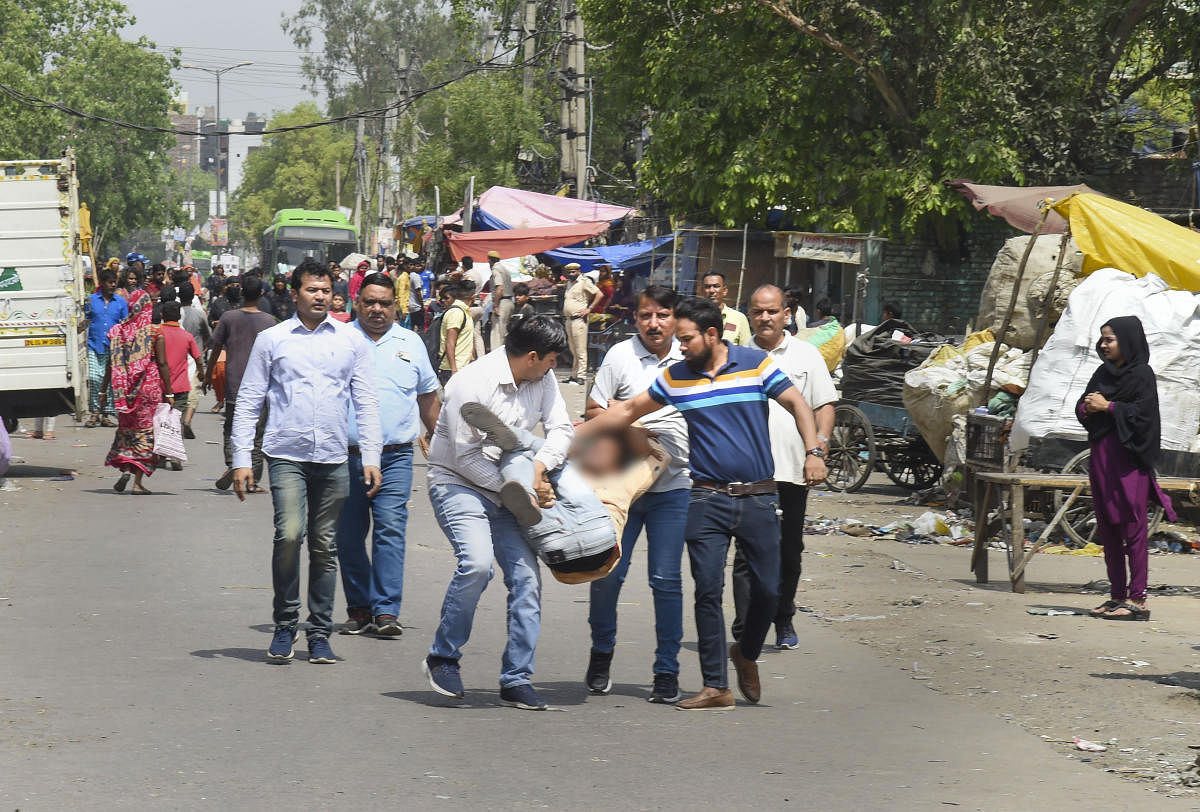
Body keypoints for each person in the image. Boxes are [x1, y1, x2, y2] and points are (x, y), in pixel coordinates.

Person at [582, 296, 827, 709]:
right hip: (705, 498)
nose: (679, 348)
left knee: (769, 590)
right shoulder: (677, 378)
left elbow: (798, 403)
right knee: (707, 591)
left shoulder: (755, 364)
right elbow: (627, 410)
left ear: (711, 335)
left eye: (686, 339)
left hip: (759, 495)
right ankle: (716, 685)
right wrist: (574, 436)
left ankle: (746, 653)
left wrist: (813, 452)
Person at [231, 258, 382, 664]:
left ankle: (318, 634)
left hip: (333, 456)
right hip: (286, 455)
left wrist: (371, 454)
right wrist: (241, 458)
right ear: (294, 292)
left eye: (325, 290)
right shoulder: (274, 339)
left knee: (324, 545)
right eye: (311, 289)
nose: (319, 296)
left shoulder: (350, 341)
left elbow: (365, 401)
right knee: (290, 535)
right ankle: (285, 625)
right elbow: (249, 401)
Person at [421, 315, 572, 710]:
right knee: (477, 564)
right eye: (553, 359)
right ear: (534, 356)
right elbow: (466, 459)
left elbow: (562, 430)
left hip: (515, 483)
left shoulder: (543, 378)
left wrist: (538, 471)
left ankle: (516, 678)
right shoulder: (470, 384)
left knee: (527, 581)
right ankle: (443, 657)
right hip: (458, 480)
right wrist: (521, 490)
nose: (556, 366)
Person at [583, 284, 691, 703]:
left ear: (675, 317)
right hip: (620, 485)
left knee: (666, 580)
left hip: (674, 487)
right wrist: (635, 430)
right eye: (646, 315)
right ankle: (601, 653)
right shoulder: (620, 356)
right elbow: (593, 411)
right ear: (636, 318)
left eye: (662, 315)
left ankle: (666, 670)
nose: (654, 323)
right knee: (607, 572)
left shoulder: (690, 357)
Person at [335, 273, 440, 637]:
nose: (377, 309)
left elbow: (428, 395)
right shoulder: (340, 340)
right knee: (348, 536)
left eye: (384, 302)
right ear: (356, 304)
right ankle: (360, 608)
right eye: (370, 302)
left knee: (390, 529)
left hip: (396, 456)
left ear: (395, 305)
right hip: (345, 457)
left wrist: (437, 437)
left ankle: (385, 612)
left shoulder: (411, 342)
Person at [734, 285, 837, 650]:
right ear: (749, 314)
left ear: (786, 314)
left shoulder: (806, 355)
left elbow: (824, 406)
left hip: (793, 471)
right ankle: (745, 626)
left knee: (788, 551)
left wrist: (818, 450)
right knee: (747, 553)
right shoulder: (737, 358)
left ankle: (784, 618)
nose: (765, 318)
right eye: (758, 311)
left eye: (772, 311)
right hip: (748, 474)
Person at [1077, 316, 1177, 622]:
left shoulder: (1141, 375)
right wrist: (1087, 407)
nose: (1103, 345)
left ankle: (1138, 599)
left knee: (1133, 529)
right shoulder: (1102, 373)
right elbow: (1083, 405)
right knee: (1108, 529)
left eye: (1110, 339)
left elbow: (1144, 417)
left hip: (1129, 463)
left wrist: (1109, 407)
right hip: (1102, 460)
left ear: (1127, 341)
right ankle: (1117, 595)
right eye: (1102, 339)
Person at [206, 276, 276, 492]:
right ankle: (252, 481)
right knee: (258, 434)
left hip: (235, 382)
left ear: (242, 293)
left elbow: (216, 347)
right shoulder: (270, 322)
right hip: (262, 385)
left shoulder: (228, 317)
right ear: (261, 295)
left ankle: (232, 465)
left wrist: (208, 374)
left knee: (231, 428)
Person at [102, 290, 173, 495]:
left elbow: (111, 362)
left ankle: (126, 468)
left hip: (124, 391)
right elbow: (162, 363)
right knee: (145, 432)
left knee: (128, 429)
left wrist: (104, 390)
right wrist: (169, 393)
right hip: (148, 388)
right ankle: (137, 482)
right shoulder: (154, 332)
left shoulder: (119, 331)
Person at [158, 301, 203, 469]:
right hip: (181, 387)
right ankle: (175, 456)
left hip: (161, 386)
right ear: (179, 316)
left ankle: (162, 456)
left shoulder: (158, 333)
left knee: (161, 421)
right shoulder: (187, 336)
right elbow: (198, 358)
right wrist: (203, 375)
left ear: (163, 315)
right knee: (176, 421)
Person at [83, 268, 129, 428]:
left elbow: (125, 324)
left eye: (114, 282)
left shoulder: (121, 302)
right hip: (94, 345)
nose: (113, 285)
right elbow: (84, 321)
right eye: (110, 282)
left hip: (114, 348)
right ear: (102, 283)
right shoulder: (90, 300)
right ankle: (95, 411)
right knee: (95, 379)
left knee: (109, 382)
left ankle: (105, 415)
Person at [177, 285, 210, 439]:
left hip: (177, 358)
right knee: (193, 392)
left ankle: (176, 421)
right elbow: (208, 335)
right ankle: (187, 421)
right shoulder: (199, 314)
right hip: (195, 358)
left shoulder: (175, 314)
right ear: (192, 298)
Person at [562, 262, 603, 384]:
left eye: (573, 272)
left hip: (579, 320)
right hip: (569, 320)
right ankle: (574, 374)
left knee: (580, 349)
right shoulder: (569, 283)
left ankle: (581, 376)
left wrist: (589, 309)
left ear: (579, 271)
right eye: (569, 272)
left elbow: (599, 294)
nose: (571, 274)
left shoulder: (584, 282)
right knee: (573, 349)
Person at [700, 272, 751, 346]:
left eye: (716, 286)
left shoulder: (739, 318)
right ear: (702, 291)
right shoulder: (694, 317)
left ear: (724, 291)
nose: (711, 290)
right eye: (707, 287)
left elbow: (746, 350)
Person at [438, 282, 474, 385]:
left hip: (462, 366)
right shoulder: (456, 313)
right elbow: (450, 343)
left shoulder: (464, 311)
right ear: (473, 297)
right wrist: (454, 370)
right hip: (453, 369)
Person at [488, 250, 515, 349]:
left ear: (490, 260)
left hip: (501, 303)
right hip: (509, 301)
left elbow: (500, 288)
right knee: (504, 332)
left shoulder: (496, 270)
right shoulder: (505, 269)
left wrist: (495, 305)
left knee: (497, 334)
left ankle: (496, 358)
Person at [404, 253, 425, 332]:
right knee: (419, 327)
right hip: (416, 306)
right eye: (418, 266)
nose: (420, 268)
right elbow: (418, 292)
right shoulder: (415, 276)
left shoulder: (409, 275)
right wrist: (422, 305)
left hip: (410, 305)